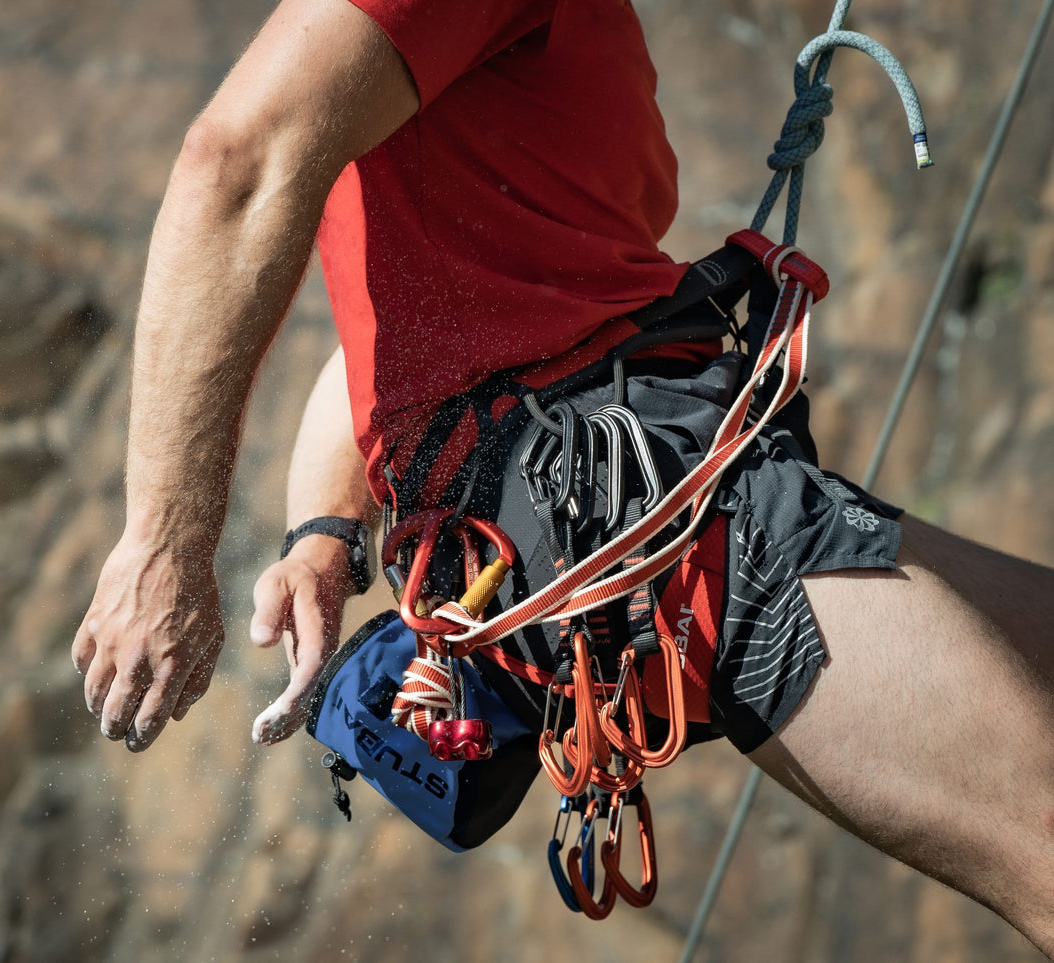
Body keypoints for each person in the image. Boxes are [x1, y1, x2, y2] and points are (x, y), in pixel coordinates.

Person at [70, 0, 1054, 951]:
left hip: (664, 486)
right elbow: (231, 165)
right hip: (630, 512)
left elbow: (389, 323)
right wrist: (160, 547)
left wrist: (321, 533)